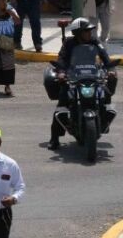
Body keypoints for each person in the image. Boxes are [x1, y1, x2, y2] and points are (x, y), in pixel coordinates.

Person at [47, 17, 117, 150]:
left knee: (105, 94)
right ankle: (54, 138)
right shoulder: (68, 43)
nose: (90, 33)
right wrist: (61, 72)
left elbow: (105, 57)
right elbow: (61, 59)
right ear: (78, 32)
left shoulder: (95, 42)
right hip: (73, 77)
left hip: (92, 76)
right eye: (87, 31)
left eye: (90, 30)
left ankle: (104, 121)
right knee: (62, 103)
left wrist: (110, 70)